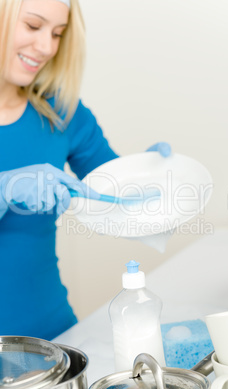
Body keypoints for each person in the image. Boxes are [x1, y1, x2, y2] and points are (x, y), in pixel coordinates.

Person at [0, 0, 171, 341]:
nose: (47, 47)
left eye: (58, 34)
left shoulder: (61, 112)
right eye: (33, 26)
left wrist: (147, 175)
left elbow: (116, 194)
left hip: (55, 336)